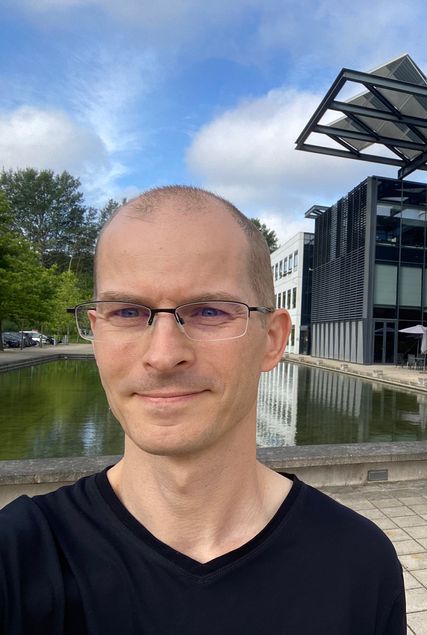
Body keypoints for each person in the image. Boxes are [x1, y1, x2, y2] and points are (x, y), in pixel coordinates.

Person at [0, 186, 405, 634]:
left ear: (272, 340)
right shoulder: (17, 559)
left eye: (209, 311)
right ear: (97, 335)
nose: (163, 354)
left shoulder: (358, 562)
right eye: (129, 312)